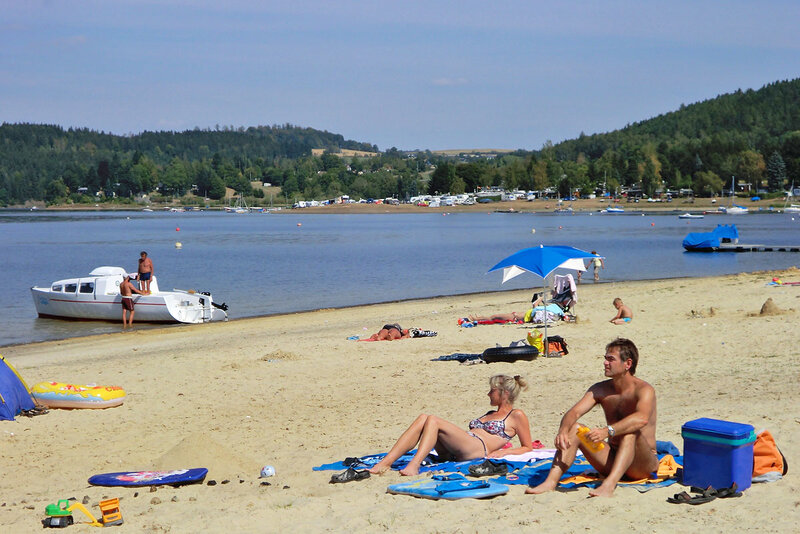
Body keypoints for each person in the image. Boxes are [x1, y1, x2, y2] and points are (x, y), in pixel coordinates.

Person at [525, 338, 657, 497]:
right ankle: (550, 482)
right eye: (605, 358)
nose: (605, 363)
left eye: (611, 359)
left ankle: (609, 485)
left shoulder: (644, 390)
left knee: (629, 432)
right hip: (613, 459)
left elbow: (641, 419)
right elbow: (574, 413)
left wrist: (607, 431)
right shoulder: (601, 389)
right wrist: (563, 430)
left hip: (642, 465)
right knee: (574, 429)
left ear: (627, 364)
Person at [368, 375, 533, 476]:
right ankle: (386, 461)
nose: (488, 393)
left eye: (492, 391)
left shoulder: (516, 415)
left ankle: (414, 465)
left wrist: (505, 451)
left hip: (476, 449)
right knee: (424, 417)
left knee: (433, 419)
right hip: (460, 448)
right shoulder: (490, 414)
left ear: (504, 393)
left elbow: (527, 447)